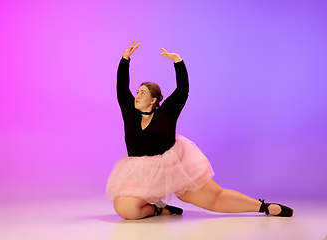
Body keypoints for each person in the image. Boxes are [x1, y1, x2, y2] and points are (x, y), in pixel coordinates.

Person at [105, 40, 293, 220]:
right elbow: (121, 88)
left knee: (215, 198)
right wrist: (125, 60)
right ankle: (159, 210)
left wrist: (178, 62)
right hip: (141, 174)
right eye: (137, 92)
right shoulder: (130, 113)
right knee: (125, 208)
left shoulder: (166, 113)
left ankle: (264, 207)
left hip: (173, 168)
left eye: (142, 93)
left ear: (153, 100)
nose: (137, 96)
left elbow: (182, 90)